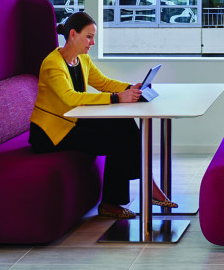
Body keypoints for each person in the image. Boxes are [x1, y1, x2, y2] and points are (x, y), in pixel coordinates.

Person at [28, 11, 177, 218]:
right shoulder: (52, 63)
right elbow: (70, 98)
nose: (93, 42)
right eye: (89, 37)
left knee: (123, 124)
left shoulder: (82, 59)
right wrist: (117, 98)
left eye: (93, 37)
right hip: (52, 133)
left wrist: (130, 88)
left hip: (74, 120)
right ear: (73, 34)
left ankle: (146, 183)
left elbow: (103, 83)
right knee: (117, 140)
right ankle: (117, 199)